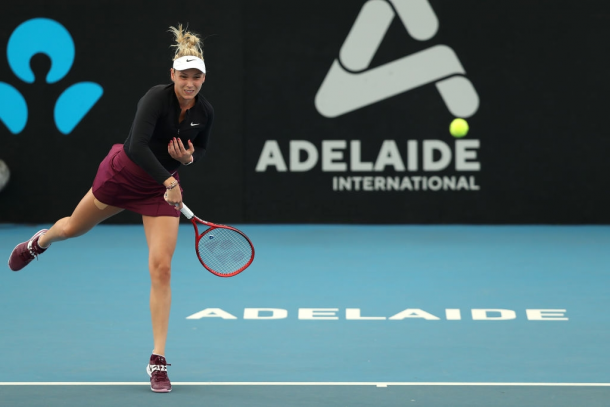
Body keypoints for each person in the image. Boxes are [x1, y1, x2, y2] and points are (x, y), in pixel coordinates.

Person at [7, 24, 214, 393]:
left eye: (196, 77)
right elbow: (136, 146)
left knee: (162, 268)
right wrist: (170, 181)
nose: (190, 82)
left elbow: (199, 150)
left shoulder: (205, 112)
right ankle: (41, 242)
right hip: (122, 176)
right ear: (173, 75)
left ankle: (158, 360)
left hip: (160, 190)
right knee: (72, 228)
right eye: (184, 76)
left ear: (203, 79)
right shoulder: (155, 97)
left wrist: (187, 160)